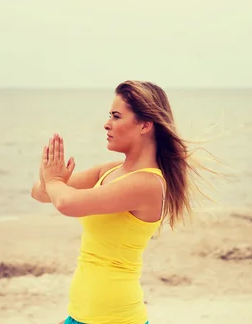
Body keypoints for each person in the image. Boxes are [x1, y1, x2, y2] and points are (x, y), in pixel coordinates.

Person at [31, 80, 225, 324]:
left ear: (145, 124)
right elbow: (41, 194)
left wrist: (55, 180)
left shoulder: (148, 184)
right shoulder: (109, 171)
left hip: (115, 318)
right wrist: (49, 175)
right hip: (81, 314)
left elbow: (66, 203)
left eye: (116, 116)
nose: (106, 124)